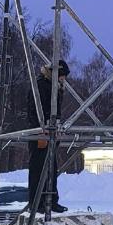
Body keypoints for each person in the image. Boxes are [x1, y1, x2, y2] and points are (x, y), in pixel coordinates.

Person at [27, 59, 70, 213]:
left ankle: (50, 200)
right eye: (62, 76)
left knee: (51, 168)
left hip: (51, 130)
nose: (63, 79)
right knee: (38, 168)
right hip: (41, 131)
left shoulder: (55, 87)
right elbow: (34, 109)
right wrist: (40, 129)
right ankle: (37, 203)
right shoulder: (41, 85)